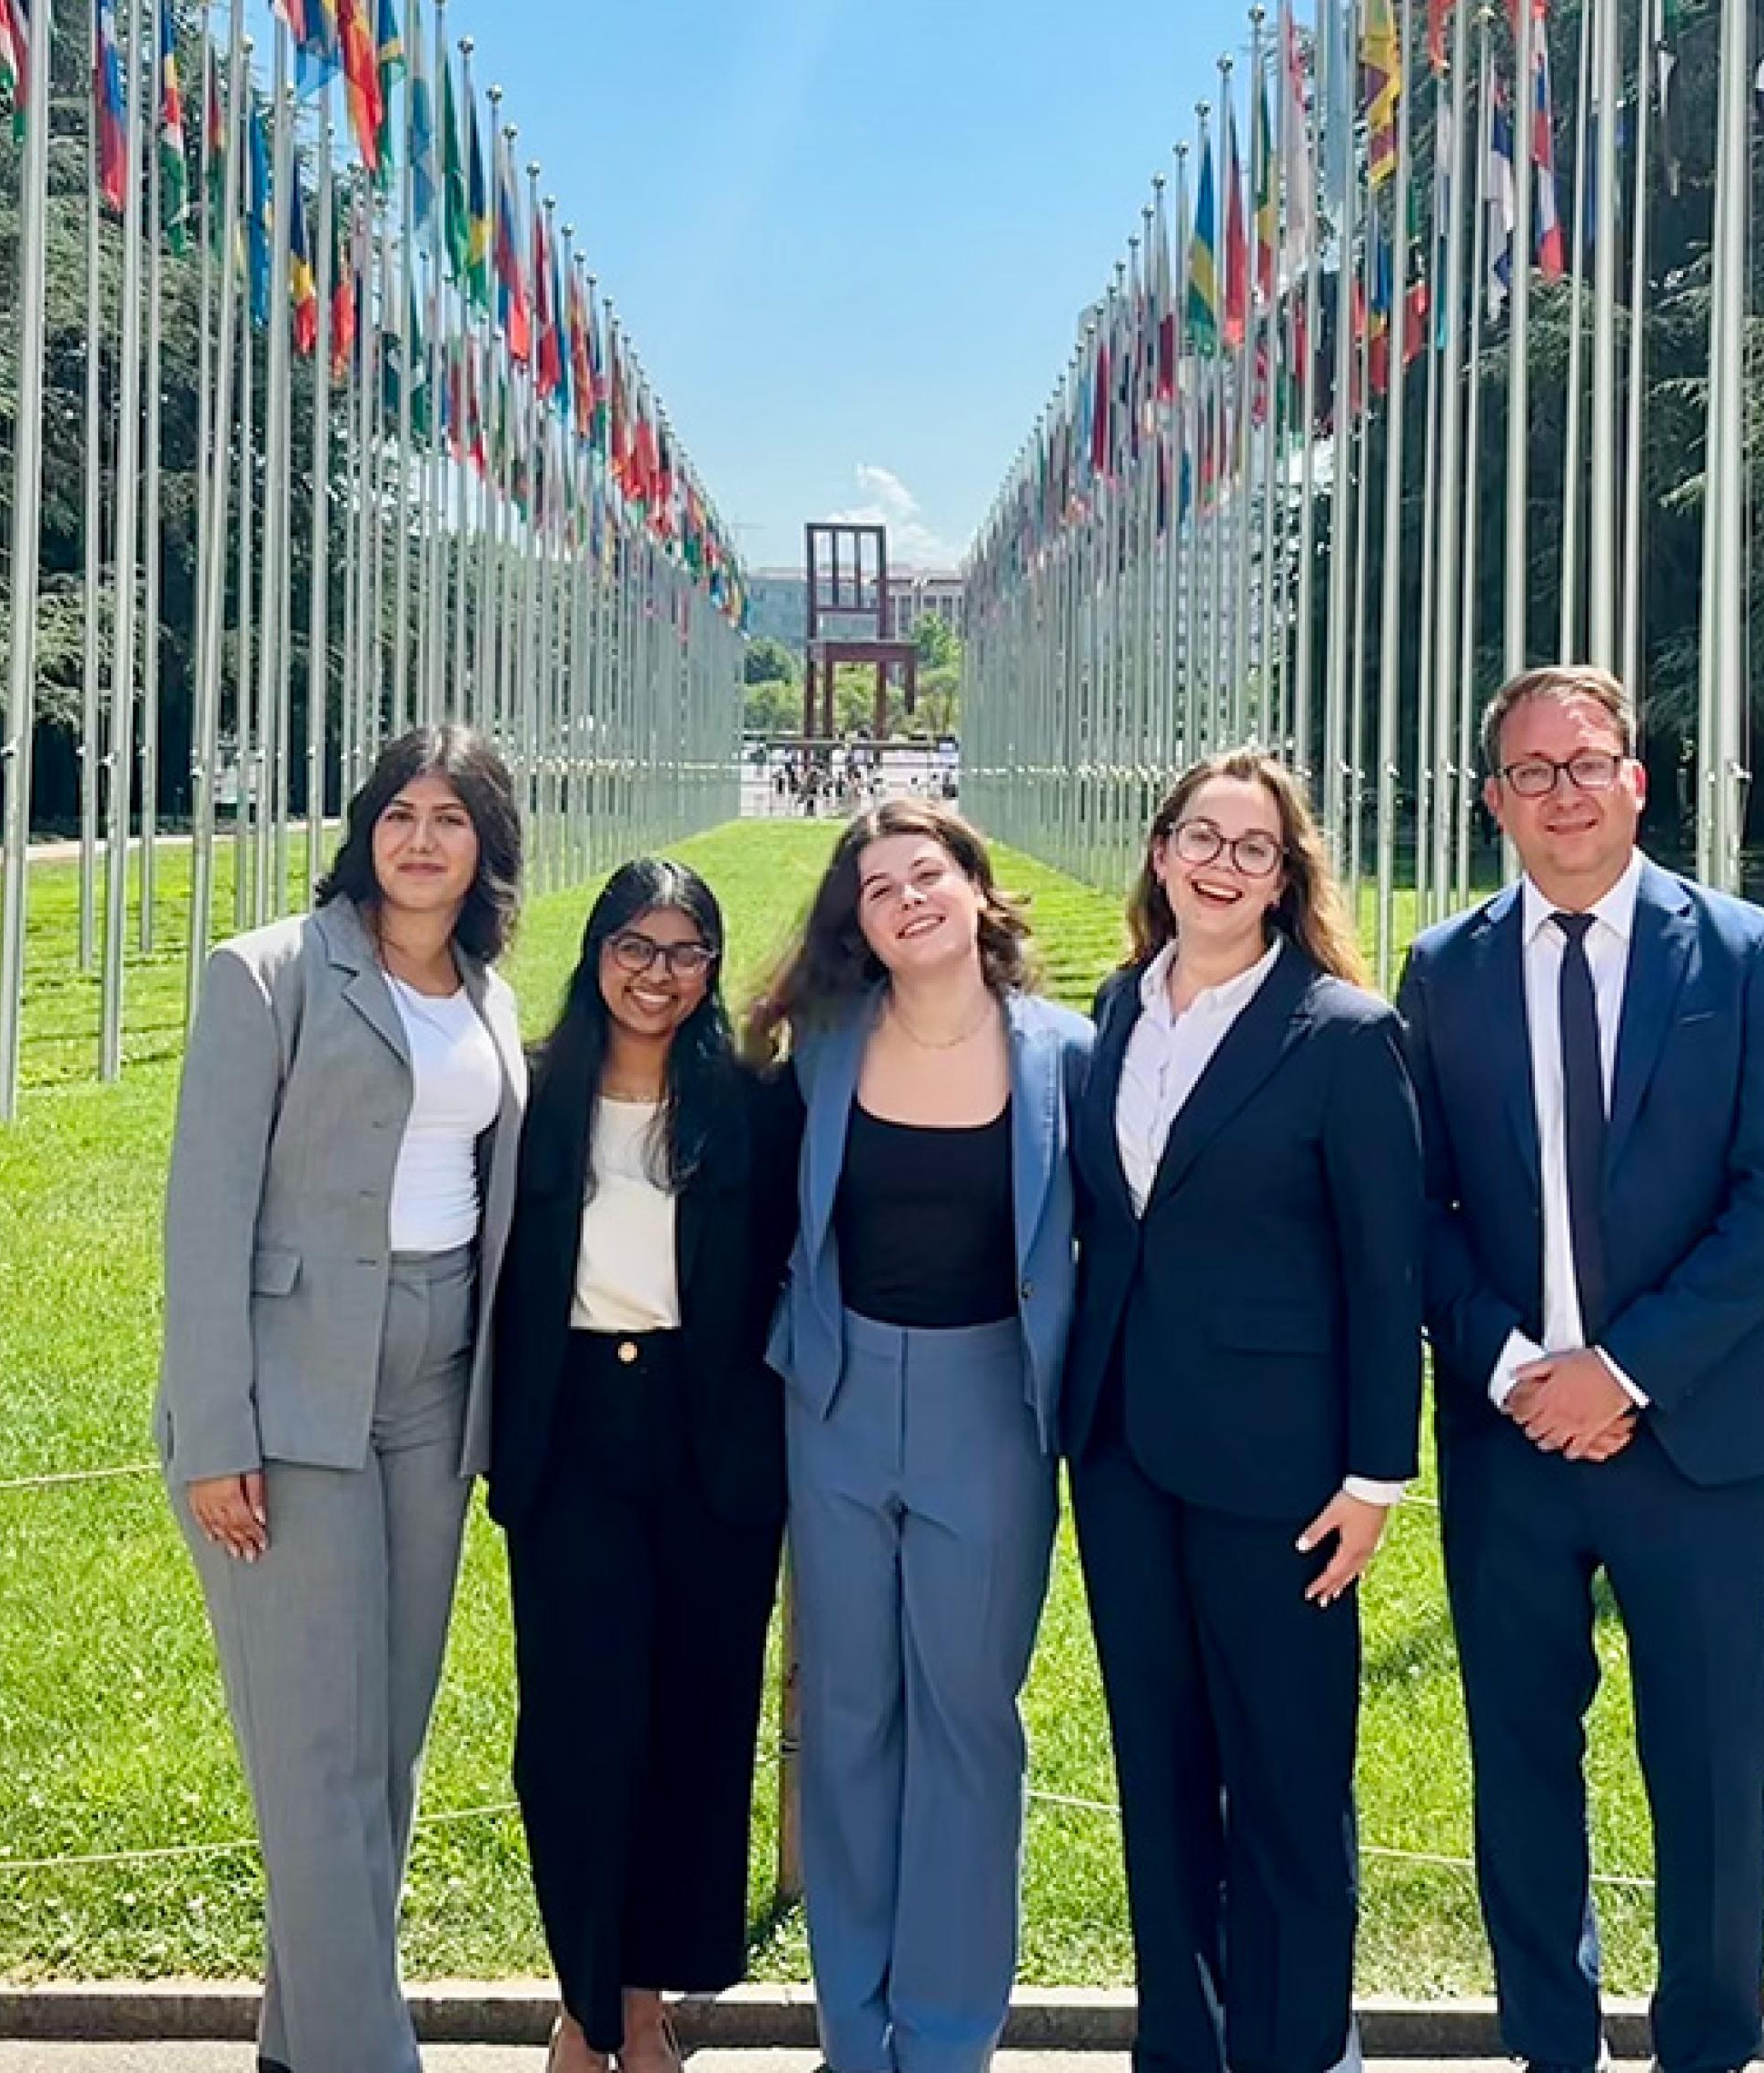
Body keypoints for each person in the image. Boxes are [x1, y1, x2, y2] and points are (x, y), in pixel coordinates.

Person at [1394, 666, 1764, 2073]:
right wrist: (1522, 1368)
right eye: (1532, 771)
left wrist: (1623, 1372)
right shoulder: (1445, 969)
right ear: (1492, 803)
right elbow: (1420, 1209)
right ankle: (1550, 2045)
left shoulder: (1747, 954)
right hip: (1511, 1438)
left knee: (1713, 1771)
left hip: (1698, 1437)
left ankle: (1707, 2049)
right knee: (1522, 1763)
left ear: (1639, 780)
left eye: (1589, 762)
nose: (1565, 791)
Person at [156, 725, 528, 2073]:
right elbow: (204, 1220)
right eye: (398, 812)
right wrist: (216, 1432)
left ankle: (292, 2046)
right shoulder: (269, 975)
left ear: (487, 843)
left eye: (451, 816)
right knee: (316, 1765)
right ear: (365, 828)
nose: (420, 838)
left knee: (382, 1755)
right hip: (291, 1394)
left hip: (432, 1396)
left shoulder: (484, 991)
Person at [1061, 749, 1422, 2073]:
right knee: (1158, 1785)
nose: (1221, 863)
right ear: (1160, 854)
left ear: (1285, 876)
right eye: (1199, 837)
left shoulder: (1342, 1032)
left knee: (1285, 1788)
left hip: (1281, 1475)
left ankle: (1297, 2052)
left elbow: (1389, 1273)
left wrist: (1377, 1477)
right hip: (1119, 1456)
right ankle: (1182, 2052)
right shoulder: (1115, 1007)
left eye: (1251, 847)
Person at [749, 801, 1092, 2073]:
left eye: (927, 873)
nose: (907, 899)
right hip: (832, 1406)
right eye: (877, 887)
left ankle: (945, 2040)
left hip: (991, 1413)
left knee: (966, 1721)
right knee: (844, 1720)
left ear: (978, 890)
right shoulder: (824, 1046)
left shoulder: (1066, 1052)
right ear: (859, 924)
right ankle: (856, 2031)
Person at [488, 859, 802, 2073]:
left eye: (683, 952)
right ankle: (581, 1997)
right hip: (571, 1432)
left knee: (696, 1720)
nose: (655, 975)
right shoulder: (534, 1088)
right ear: (595, 952)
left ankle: (644, 1998)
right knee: (577, 1726)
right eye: (634, 945)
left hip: (711, 1437)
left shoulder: (752, 1104)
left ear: (712, 968)